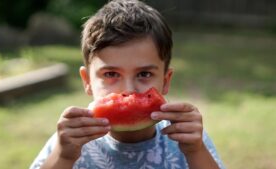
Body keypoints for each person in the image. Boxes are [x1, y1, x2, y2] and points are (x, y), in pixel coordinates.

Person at [30, 0, 225, 168]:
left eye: (144, 73)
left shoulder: (186, 139)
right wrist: (63, 157)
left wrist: (196, 151)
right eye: (111, 73)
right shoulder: (69, 141)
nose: (128, 90)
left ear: (166, 81)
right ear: (87, 81)